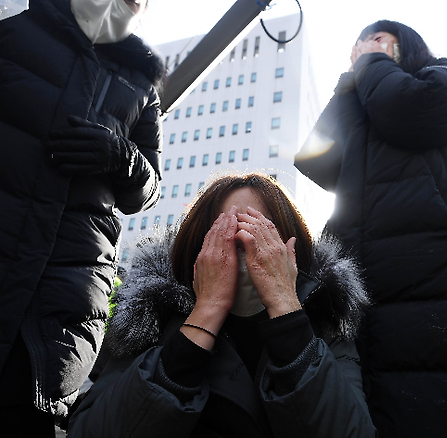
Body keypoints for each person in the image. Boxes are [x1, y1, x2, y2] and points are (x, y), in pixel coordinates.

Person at [298, 20, 447, 438]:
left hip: (438, 271)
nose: (363, 48)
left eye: (376, 40)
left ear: (405, 46)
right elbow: (319, 160)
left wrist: (369, 64)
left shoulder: (446, 74)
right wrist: (346, 88)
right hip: (364, 270)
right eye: (358, 46)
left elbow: (413, 109)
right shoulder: (365, 98)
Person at [67, 172, 376, 438]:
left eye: (261, 232)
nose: (244, 244)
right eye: (223, 234)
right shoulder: (151, 316)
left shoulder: (326, 315)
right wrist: (207, 312)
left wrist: (285, 306)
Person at [0, 0, 163, 435]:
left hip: (64, 303)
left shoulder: (143, 84)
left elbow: (150, 188)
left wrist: (121, 157)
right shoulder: (15, 31)